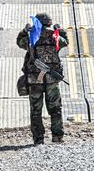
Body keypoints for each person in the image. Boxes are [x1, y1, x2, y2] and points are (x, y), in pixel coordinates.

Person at [17, 13, 69, 145]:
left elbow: (20, 42)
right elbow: (65, 42)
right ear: (49, 23)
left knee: (36, 110)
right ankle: (57, 137)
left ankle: (38, 138)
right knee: (55, 109)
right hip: (52, 80)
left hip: (35, 80)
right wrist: (60, 30)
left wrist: (24, 31)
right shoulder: (55, 37)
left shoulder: (31, 37)